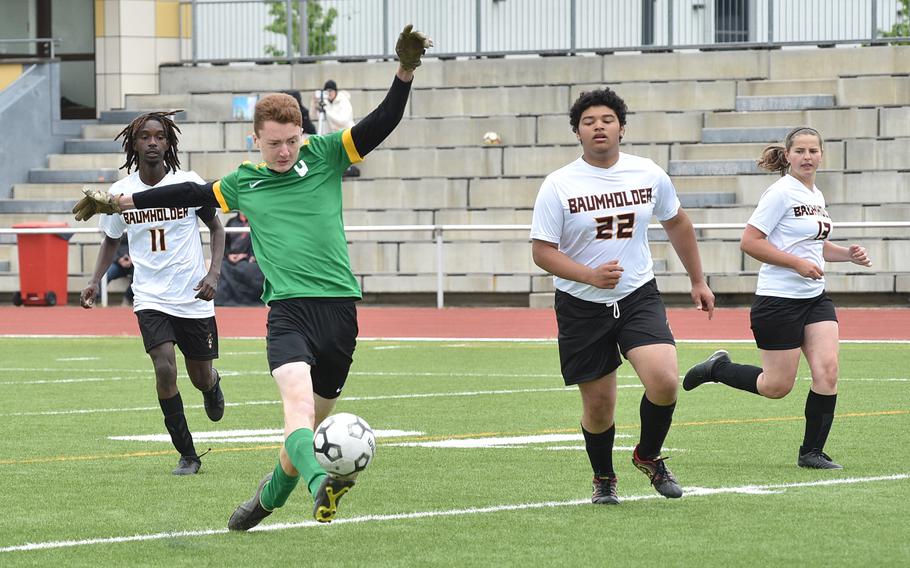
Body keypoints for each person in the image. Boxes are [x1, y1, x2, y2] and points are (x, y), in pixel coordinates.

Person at [72, 24, 433, 528]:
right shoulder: (245, 181)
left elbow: (382, 122)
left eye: (291, 141)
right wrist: (123, 199)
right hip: (287, 313)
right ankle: (320, 486)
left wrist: (405, 73)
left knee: (312, 426)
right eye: (273, 144)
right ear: (255, 140)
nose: (283, 152)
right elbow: (187, 196)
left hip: (340, 313)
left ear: (302, 136)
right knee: (297, 411)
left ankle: (265, 499)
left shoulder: (327, 156)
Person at [530, 88, 715, 505]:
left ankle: (648, 456)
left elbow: (679, 224)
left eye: (607, 120)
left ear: (622, 128)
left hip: (636, 295)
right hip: (580, 305)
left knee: (665, 381)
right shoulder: (558, 184)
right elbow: (542, 252)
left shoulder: (647, 173)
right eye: (589, 121)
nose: (599, 126)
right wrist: (589, 276)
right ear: (577, 132)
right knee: (599, 408)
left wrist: (698, 280)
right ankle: (604, 477)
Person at [683, 127, 872, 470]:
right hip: (778, 301)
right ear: (788, 156)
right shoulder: (780, 193)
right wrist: (796, 264)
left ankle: (811, 452)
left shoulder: (816, 195)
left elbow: (815, 247)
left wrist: (847, 253)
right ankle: (718, 368)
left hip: (815, 299)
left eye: (813, 150)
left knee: (827, 371)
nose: (807, 156)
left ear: (821, 155)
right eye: (800, 150)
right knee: (776, 387)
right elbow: (750, 242)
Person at [78, 110, 227, 476]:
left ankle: (212, 385)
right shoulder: (119, 193)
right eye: (145, 136)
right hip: (149, 298)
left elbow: (218, 229)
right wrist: (95, 280)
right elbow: (111, 239)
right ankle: (188, 454)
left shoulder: (189, 183)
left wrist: (214, 273)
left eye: (159, 136)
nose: (153, 143)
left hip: (193, 296)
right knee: (163, 368)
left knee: (199, 376)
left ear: (169, 142)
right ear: (134, 143)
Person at [311, 79, 360, 177]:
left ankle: (346, 168)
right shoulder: (324, 102)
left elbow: (343, 121)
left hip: (346, 133)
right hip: (332, 134)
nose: (329, 94)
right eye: (327, 91)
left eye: (330, 91)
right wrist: (314, 103)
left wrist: (327, 112)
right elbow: (313, 116)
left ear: (335, 91)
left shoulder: (344, 101)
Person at [215, 212, 265, 306]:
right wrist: (229, 255)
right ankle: (224, 302)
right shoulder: (231, 222)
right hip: (231, 260)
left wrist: (249, 256)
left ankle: (251, 302)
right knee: (222, 267)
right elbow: (225, 242)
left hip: (249, 260)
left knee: (251, 270)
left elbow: (258, 242)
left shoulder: (255, 222)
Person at [105, 234, 134, 305]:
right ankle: (96, 299)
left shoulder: (137, 226)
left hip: (135, 263)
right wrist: (118, 259)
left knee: (139, 277)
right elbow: (109, 245)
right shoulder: (114, 227)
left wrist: (133, 259)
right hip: (118, 263)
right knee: (105, 276)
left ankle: (127, 299)